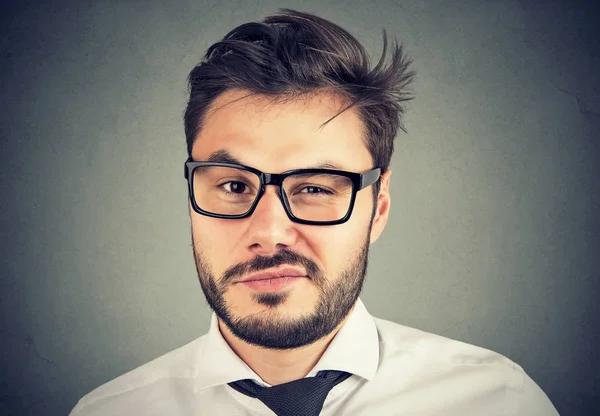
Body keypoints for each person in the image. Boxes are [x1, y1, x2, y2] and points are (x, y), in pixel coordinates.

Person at [70, 9, 559, 416]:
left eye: (315, 189)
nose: (269, 232)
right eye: (235, 185)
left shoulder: (500, 402)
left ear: (379, 207)